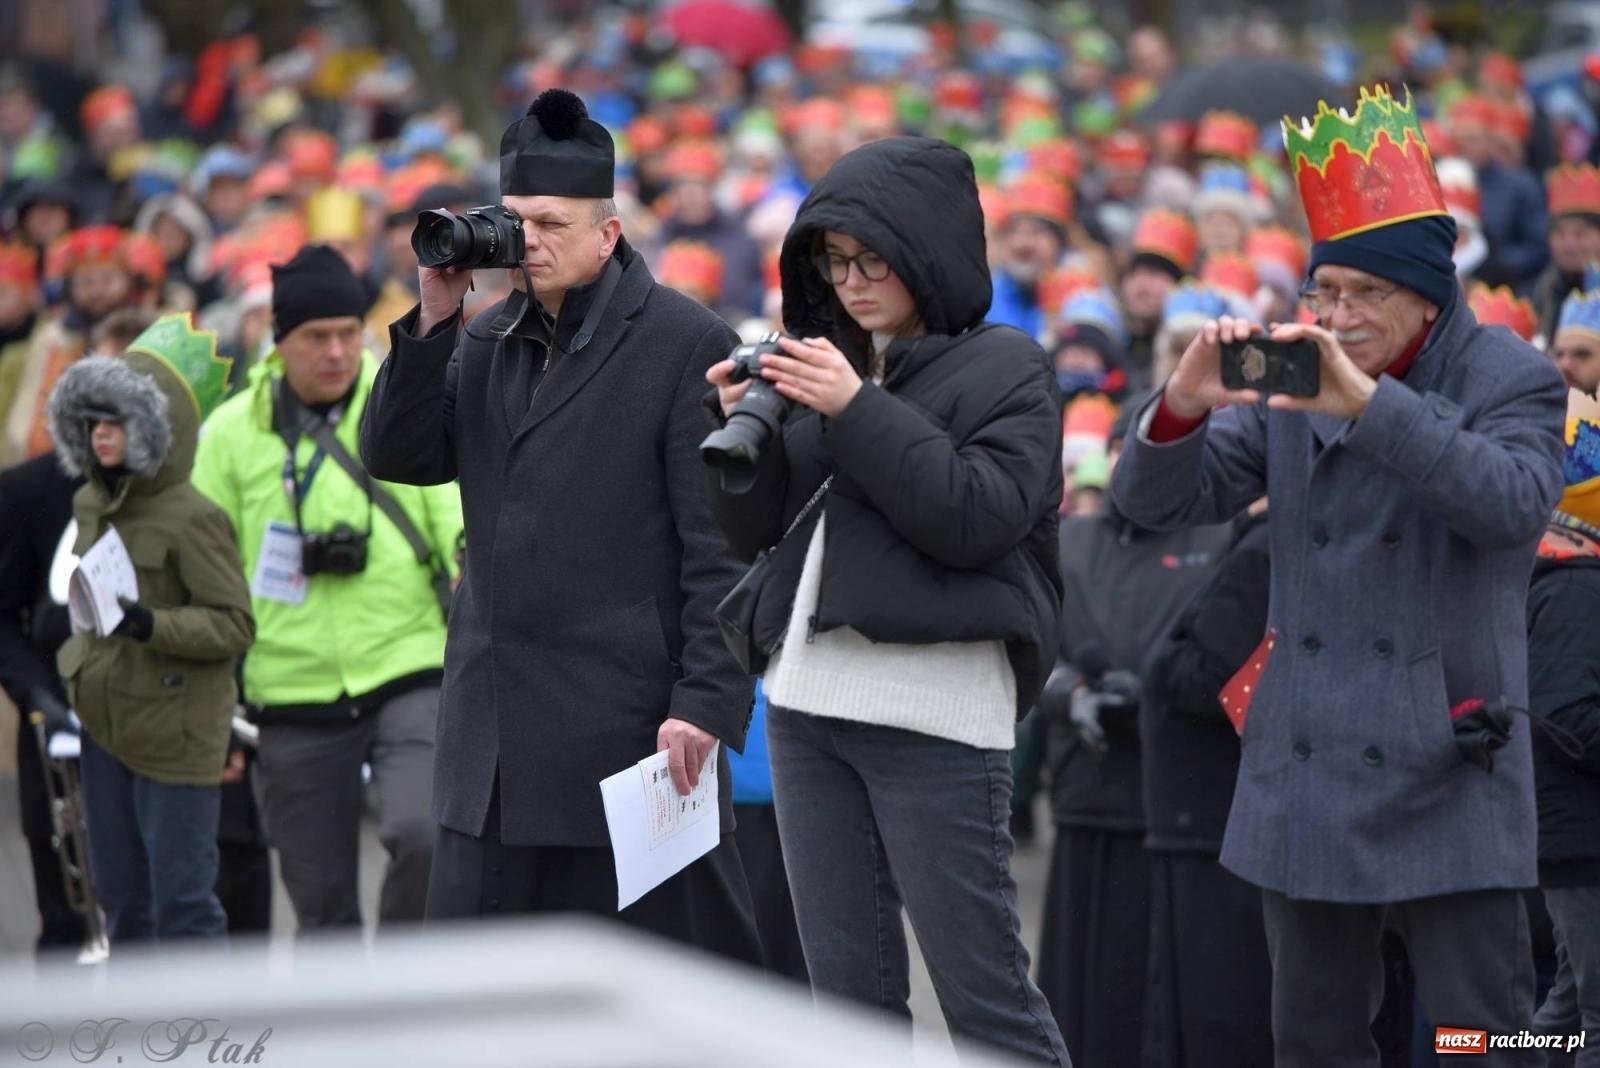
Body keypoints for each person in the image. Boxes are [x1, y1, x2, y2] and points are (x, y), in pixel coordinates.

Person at [1110, 85, 1568, 1067]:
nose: (1339, 315)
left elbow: (1514, 503)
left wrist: (1367, 406)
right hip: (1308, 763)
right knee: (1311, 1037)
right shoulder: (1293, 371)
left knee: (1480, 1037)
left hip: (1454, 757)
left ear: (1429, 292)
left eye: (1365, 294)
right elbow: (1154, 504)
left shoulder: (1510, 377)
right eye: (1327, 291)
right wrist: (1181, 406)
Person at [360, 89, 762, 963]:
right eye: (512, 222)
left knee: (637, 1004)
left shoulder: (685, 342)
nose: (525, 241)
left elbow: (720, 547)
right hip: (491, 745)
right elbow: (398, 453)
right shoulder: (482, 335)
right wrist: (433, 316)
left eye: (548, 223)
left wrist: (705, 702)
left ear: (608, 232)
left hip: (621, 740)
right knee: (478, 1014)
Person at [704, 135, 1069, 1065]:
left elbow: (975, 520)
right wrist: (741, 438)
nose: (853, 281)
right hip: (805, 709)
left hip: (936, 717)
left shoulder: (1007, 365)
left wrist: (854, 409)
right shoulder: (834, 358)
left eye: (874, 260)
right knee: (849, 1010)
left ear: (928, 251)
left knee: (985, 1001)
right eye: (835, 261)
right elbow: (760, 538)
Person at [191, 244, 461, 934]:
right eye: (317, 337)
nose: (338, 352)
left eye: (349, 333)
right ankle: (348, 1032)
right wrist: (214, 706)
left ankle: (404, 995)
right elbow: (201, 572)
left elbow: (455, 521)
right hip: (290, 690)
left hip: (409, 664)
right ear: (278, 344)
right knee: (320, 904)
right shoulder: (229, 434)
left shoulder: (403, 396)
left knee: (424, 837)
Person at [45, 315, 255, 943]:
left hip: (175, 733)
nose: (102, 435)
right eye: (93, 423)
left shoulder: (194, 516)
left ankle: (205, 1038)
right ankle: (141, 1040)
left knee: (184, 905)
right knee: (122, 902)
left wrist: (146, 623)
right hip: (106, 722)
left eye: (118, 422)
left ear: (152, 430)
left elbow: (233, 625)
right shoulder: (90, 502)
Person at [1035, 402, 1229, 1068]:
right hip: (1086, 796)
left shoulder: (1223, 538)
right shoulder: (1068, 539)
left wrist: (1157, 694)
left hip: (1179, 806)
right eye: (1124, 448)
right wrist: (1071, 693)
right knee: (1077, 1003)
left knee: (1163, 1004)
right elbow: (1025, 651)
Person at [1139, 497, 1274, 1068]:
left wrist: (1159, 666)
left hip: (1211, 821)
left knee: (1214, 1009)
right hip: (1212, 816)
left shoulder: (1260, 552)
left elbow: (1209, 677)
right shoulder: (1262, 547)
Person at [1526, 385, 1600, 1066]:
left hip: (1571, 837)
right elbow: (1564, 716)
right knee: (1593, 1018)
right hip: (1582, 841)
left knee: (1570, 1008)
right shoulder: (1578, 583)